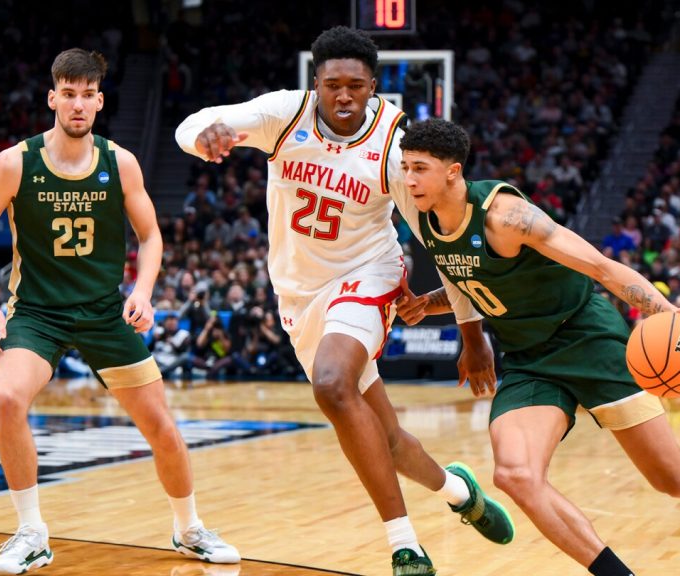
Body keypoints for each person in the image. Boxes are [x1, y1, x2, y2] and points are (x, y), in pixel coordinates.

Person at [394, 118, 680, 576]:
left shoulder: (506, 217)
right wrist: (428, 305)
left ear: (453, 172)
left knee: (676, 480)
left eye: (419, 168)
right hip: (528, 359)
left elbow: (601, 268)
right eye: (405, 167)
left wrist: (670, 316)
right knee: (515, 475)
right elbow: (476, 280)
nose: (408, 179)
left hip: (587, 338)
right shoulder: (426, 218)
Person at [174, 27, 513, 575]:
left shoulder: (394, 141)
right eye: (334, 85)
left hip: (368, 274)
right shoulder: (285, 113)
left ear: (373, 86)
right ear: (317, 83)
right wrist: (204, 135)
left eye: (357, 86)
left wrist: (473, 335)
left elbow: (439, 242)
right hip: (298, 292)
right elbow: (191, 124)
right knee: (389, 439)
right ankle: (460, 494)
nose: (345, 97)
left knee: (331, 384)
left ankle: (405, 546)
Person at [0, 49, 239, 575]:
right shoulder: (16, 162)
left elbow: (152, 235)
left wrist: (144, 290)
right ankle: (31, 533)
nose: (77, 104)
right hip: (37, 312)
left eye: (87, 95)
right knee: (5, 397)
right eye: (68, 94)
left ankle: (189, 528)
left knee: (160, 426)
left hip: (104, 314)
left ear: (99, 101)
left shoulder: (121, 162)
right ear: (52, 98)